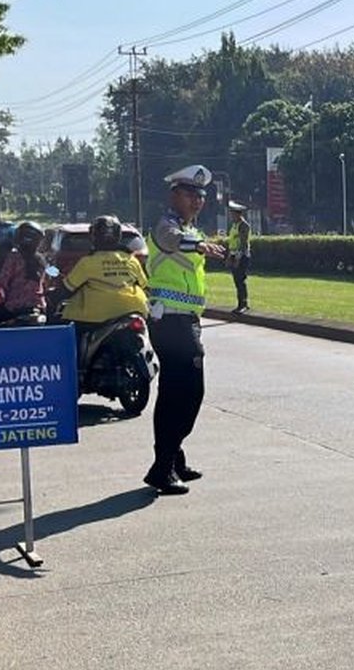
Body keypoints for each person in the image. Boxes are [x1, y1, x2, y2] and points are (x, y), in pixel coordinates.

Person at [142, 164, 227, 495]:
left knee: (175, 392)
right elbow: (171, 240)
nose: (197, 200)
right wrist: (200, 246)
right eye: (191, 193)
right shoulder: (167, 226)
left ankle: (173, 460)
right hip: (171, 321)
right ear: (174, 194)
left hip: (184, 319)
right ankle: (162, 467)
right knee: (189, 391)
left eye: (202, 195)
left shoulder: (190, 228)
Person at [51, 215, 150, 340]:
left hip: (95, 318)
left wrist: (53, 298)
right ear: (118, 236)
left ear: (93, 237)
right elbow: (145, 287)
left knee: (71, 340)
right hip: (135, 310)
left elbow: (66, 290)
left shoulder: (88, 262)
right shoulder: (131, 260)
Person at [225, 201, 252, 313]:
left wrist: (237, 258)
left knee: (240, 280)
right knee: (236, 281)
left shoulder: (243, 226)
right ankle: (240, 303)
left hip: (241, 256)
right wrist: (229, 256)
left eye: (233, 213)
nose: (231, 216)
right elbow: (233, 242)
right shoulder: (234, 225)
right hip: (234, 255)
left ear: (238, 214)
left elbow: (243, 244)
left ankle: (243, 304)